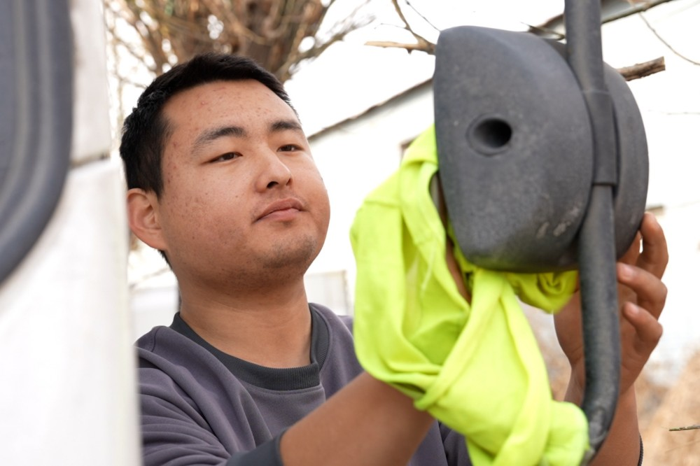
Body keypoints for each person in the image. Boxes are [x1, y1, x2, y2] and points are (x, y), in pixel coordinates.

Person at [121, 52, 668, 466]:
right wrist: (428, 359)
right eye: (227, 154)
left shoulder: (389, 350)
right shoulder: (132, 398)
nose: (277, 171)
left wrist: (602, 378)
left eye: (290, 146)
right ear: (149, 216)